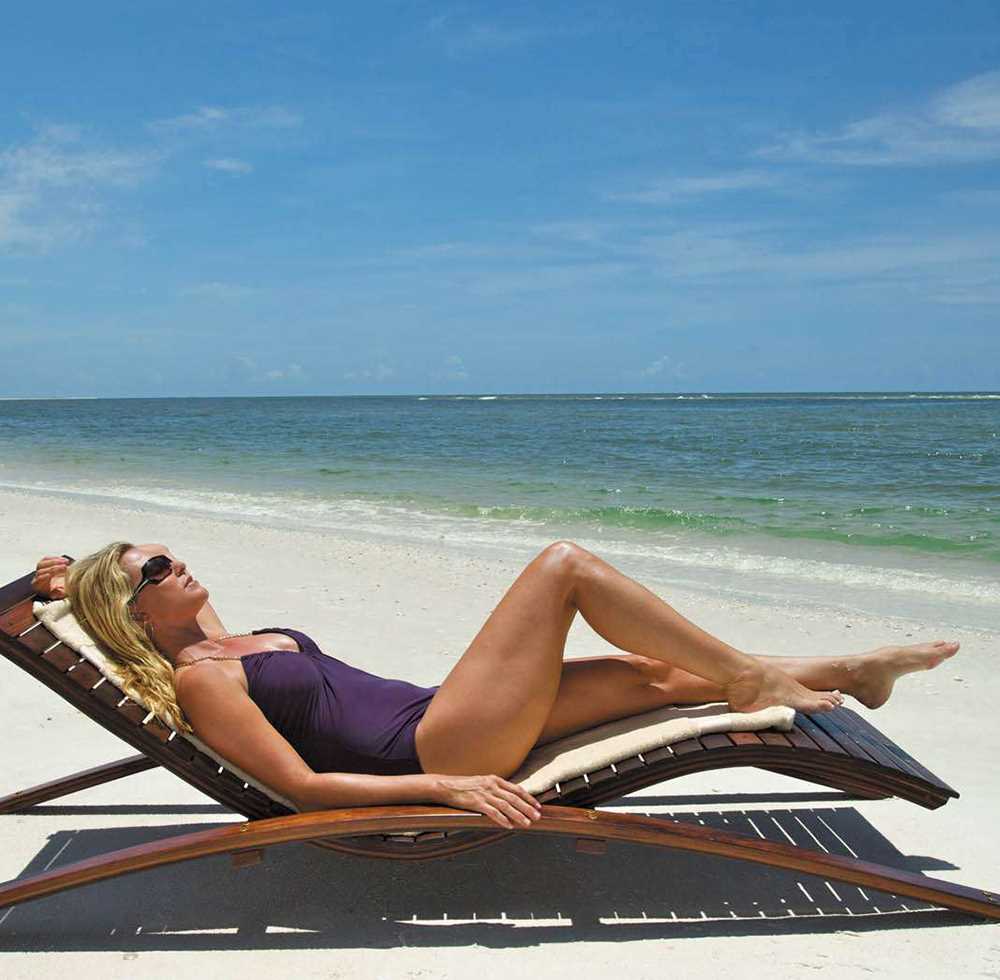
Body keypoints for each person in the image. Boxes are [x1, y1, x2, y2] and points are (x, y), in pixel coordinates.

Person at [30, 542, 959, 831]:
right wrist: (446, 785)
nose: (175, 563)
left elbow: (79, 592)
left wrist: (59, 579)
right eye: (156, 568)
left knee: (655, 674)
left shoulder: (228, 639)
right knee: (563, 569)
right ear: (137, 609)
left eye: (169, 552)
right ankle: (753, 676)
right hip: (439, 745)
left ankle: (847, 671)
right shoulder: (203, 682)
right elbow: (300, 790)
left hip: (440, 715)